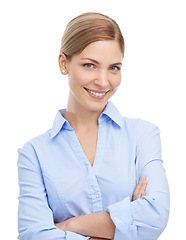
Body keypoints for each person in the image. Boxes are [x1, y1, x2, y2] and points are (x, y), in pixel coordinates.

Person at [17, 12, 170, 240]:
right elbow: (33, 235)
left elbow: (156, 215)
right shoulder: (34, 154)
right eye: (89, 65)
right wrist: (127, 223)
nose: (102, 81)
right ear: (63, 63)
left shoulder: (143, 135)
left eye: (114, 68)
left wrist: (67, 225)